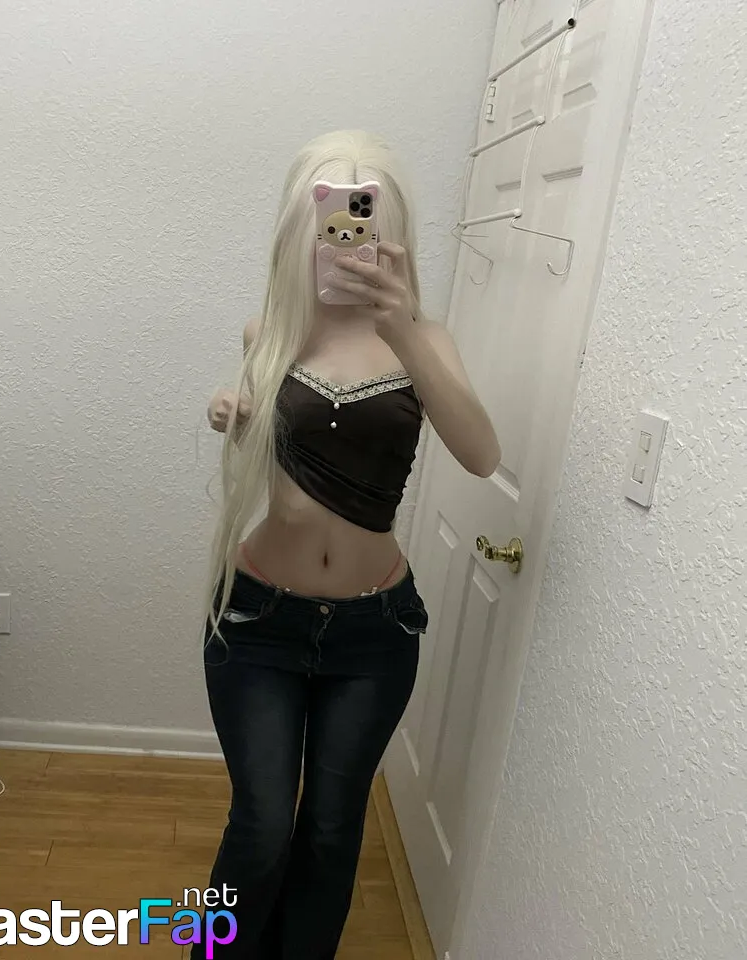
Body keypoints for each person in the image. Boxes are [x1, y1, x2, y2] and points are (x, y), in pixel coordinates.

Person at [191, 129, 501, 960]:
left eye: (364, 222)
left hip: (373, 633)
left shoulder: (425, 340)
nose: (345, 240)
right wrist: (233, 409)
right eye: (329, 222)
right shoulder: (271, 331)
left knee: (331, 831)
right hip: (258, 621)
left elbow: (481, 454)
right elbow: (270, 442)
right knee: (260, 824)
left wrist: (403, 329)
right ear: (304, 228)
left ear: (389, 230)